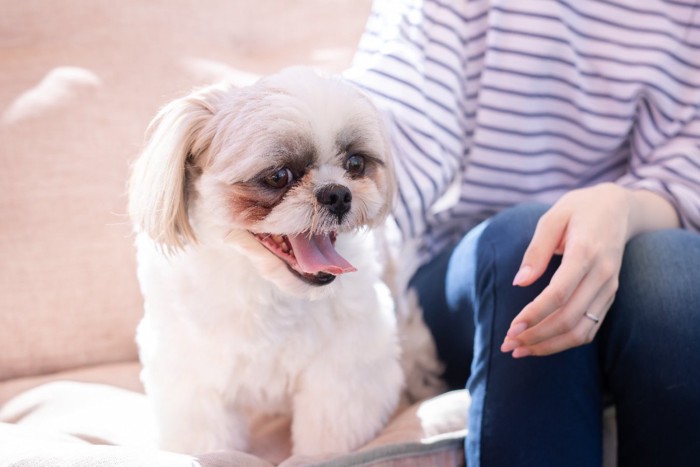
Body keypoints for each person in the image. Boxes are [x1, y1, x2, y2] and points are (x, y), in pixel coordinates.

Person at [345, 1, 700, 465]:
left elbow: (687, 169)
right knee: (530, 251)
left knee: (679, 281)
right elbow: (392, 135)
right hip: (471, 265)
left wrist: (620, 206)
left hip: (637, 238)